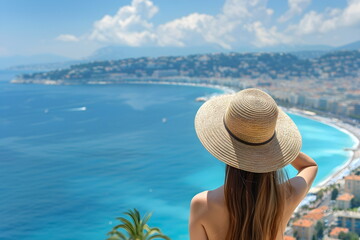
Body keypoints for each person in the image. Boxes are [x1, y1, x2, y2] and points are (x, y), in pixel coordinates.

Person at [189, 88, 318, 240]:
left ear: (226, 148)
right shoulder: (286, 197)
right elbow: (309, 166)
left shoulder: (203, 204)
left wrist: (257, 147)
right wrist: (272, 147)